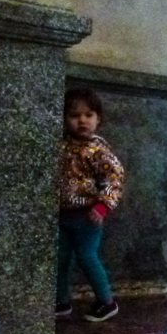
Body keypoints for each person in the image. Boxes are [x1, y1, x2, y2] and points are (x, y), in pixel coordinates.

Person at [56, 87, 125, 322]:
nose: (82, 121)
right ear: (65, 119)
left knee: (87, 256)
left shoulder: (98, 150)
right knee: (60, 258)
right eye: (75, 116)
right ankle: (61, 301)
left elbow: (114, 178)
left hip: (88, 215)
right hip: (63, 213)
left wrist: (102, 205)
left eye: (88, 115)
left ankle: (106, 301)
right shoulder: (62, 145)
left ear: (98, 119)